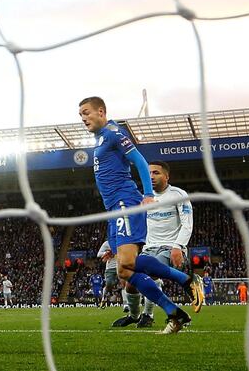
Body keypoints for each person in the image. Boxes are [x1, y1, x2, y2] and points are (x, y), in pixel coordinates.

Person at [78, 97, 204, 334]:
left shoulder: (114, 132)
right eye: (80, 115)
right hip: (114, 209)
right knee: (123, 271)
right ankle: (175, 313)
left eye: (86, 112)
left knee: (127, 263)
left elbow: (139, 160)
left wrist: (147, 193)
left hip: (126, 202)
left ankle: (187, 281)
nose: (83, 118)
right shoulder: (100, 139)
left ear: (101, 111)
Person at [131, 161, 194, 329]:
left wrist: (178, 246)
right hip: (148, 248)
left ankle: (189, 283)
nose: (151, 176)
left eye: (156, 173)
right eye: (149, 173)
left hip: (169, 246)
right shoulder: (144, 198)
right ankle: (169, 314)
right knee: (128, 277)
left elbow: (187, 224)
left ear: (167, 176)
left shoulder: (178, 194)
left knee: (152, 271)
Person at [96, 241, 120, 309]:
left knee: (124, 283)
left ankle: (126, 304)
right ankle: (104, 299)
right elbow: (98, 254)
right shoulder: (107, 243)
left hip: (121, 265)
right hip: (110, 268)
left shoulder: (123, 239)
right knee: (109, 284)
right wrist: (107, 253)